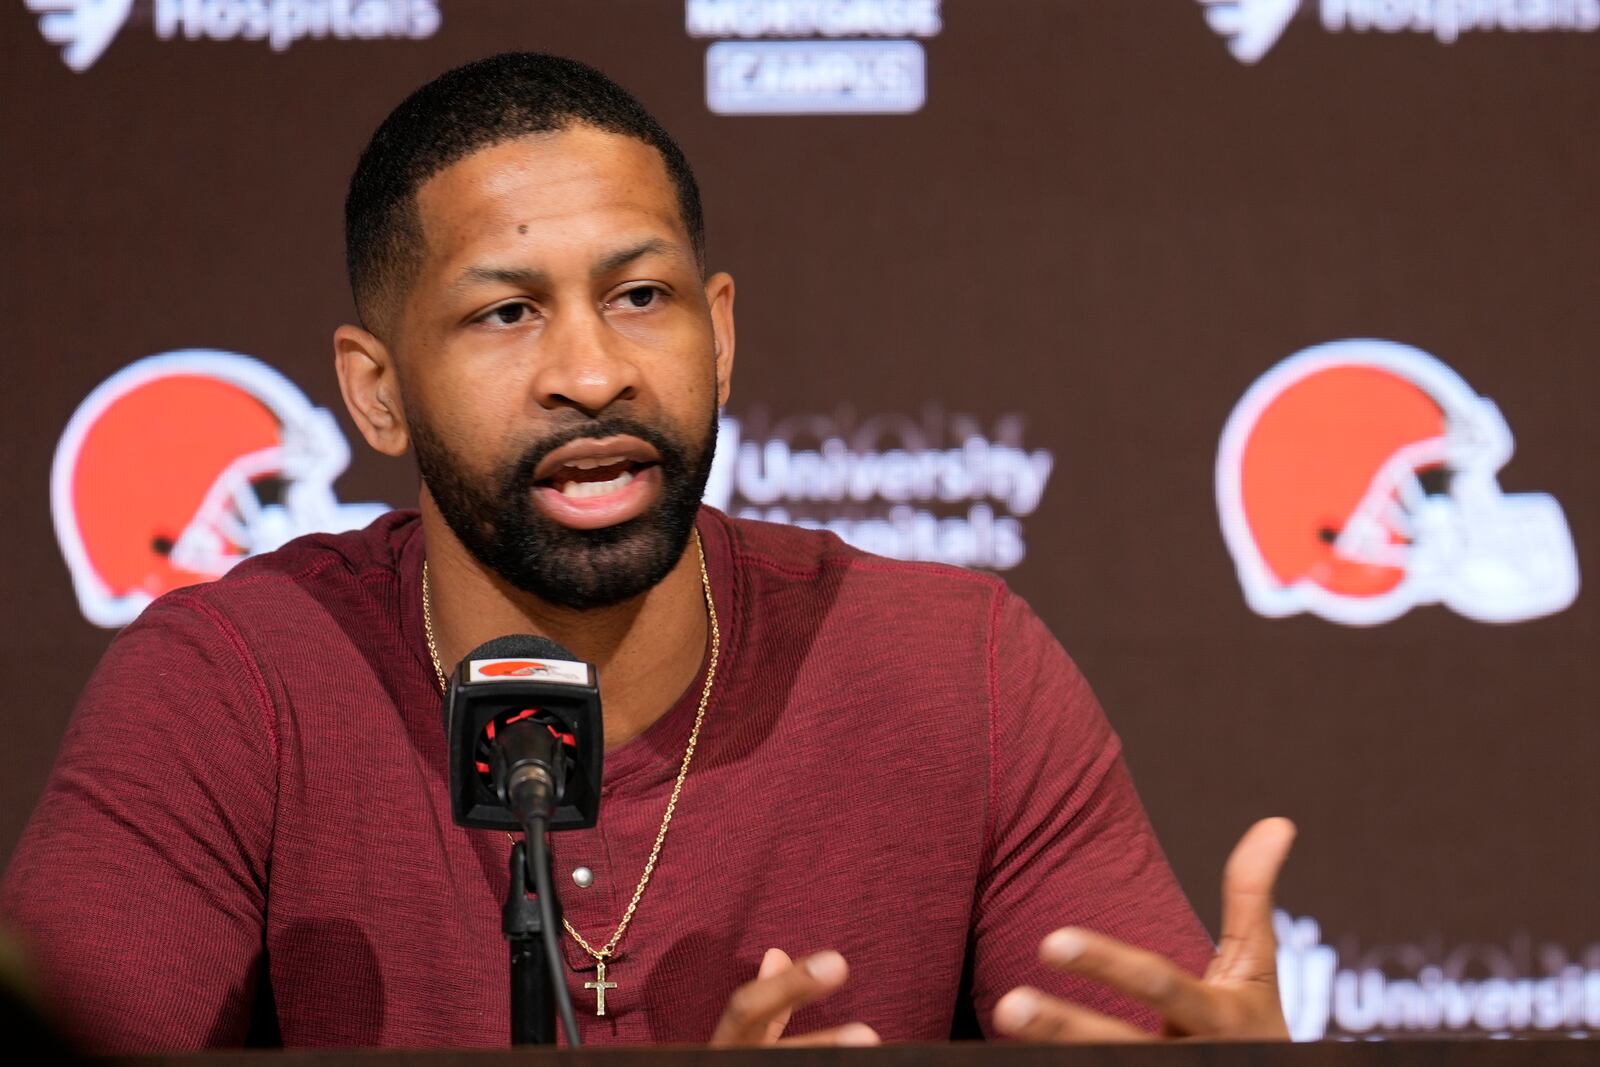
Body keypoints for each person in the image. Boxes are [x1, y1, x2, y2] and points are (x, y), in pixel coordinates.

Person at [1, 53, 1295, 1051]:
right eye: (507, 312)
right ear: (377, 391)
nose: (592, 372)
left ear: (719, 335)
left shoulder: (955, 672)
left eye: (640, 297)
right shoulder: (234, 689)